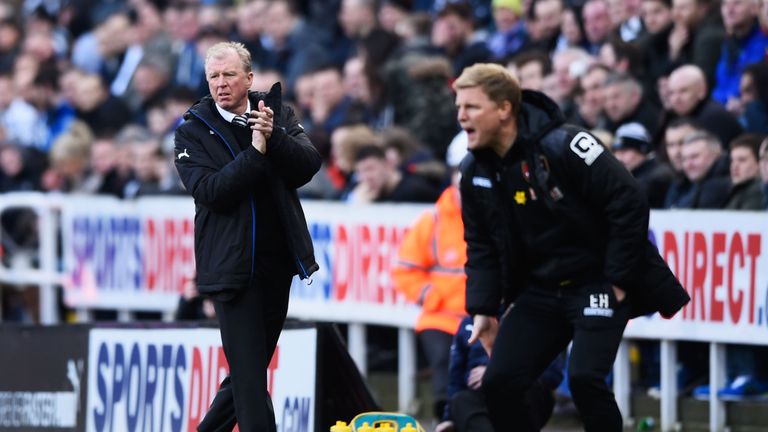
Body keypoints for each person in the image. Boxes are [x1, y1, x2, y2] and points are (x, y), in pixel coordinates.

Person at [453, 63, 690, 431]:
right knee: (500, 381)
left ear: (504, 109)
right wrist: (483, 308)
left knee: (584, 381)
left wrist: (617, 279)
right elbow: (480, 244)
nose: (461, 116)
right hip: (540, 291)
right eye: (458, 107)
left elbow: (628, 201)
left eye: (471, 107)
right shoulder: (475, 171)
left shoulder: (566, 143)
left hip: (597, 283)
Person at [173, 41, 320, 432]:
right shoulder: (191, 132)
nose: (220, 84)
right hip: (229, 269)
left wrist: (276, 140)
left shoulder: (276, 115)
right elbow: (211, 192)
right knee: (252, 381)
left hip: (276, 264)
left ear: (249, 78)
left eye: (229, 75)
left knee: (247, 372)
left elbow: (308, 166)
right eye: (213, 77)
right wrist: (256, 154)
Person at [391, 164, 466, 422]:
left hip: (482, 314)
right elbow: (404, 270)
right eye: (459, 187)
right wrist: (430, 295)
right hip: (440, 314)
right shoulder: (432, 221)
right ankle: (443, 417)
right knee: (443, 361)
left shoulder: (495, 217)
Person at [435, 314, 564, 432]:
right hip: (479, 400)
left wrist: (497, 372)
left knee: (524, 389)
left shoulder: (533, 315)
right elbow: (455, 380)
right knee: (460, 400)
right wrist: (448, 418)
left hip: (520, 393)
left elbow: (553, 374)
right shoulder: (467, 323)